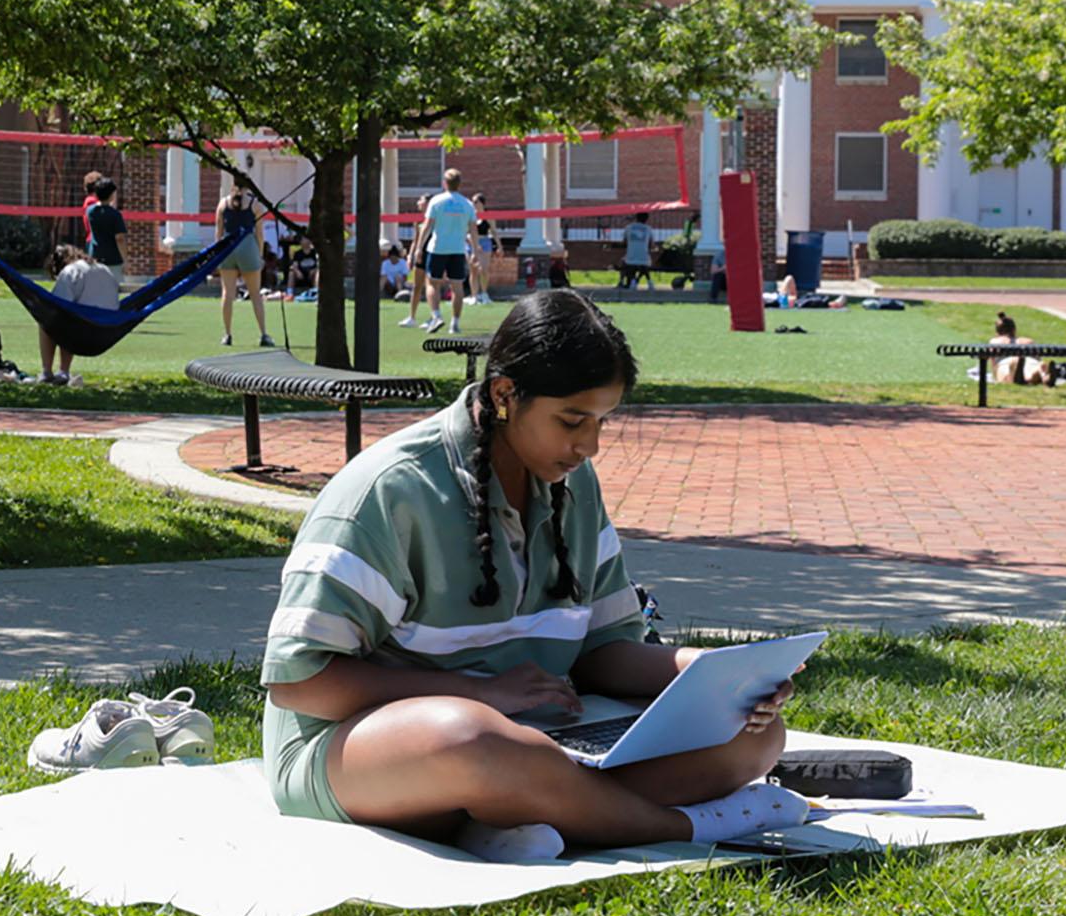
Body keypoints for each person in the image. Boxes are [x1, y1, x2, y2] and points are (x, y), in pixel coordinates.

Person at [261, 290, 807, 856]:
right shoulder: (391, 489)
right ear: (504, 395)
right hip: (360, 749)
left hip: (538, 739)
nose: (589, 446)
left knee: (749, 738)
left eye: (601, 422)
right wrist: (483, 693)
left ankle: (500, 820)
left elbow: (603, 651)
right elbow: (301, 682)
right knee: (471, 740)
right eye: (573, 420)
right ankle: (686, 827)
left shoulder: (571, 483)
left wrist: (717, 677)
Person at [37, 242, 117, 383]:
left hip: (81, 331)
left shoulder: (70, 271)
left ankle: (48, 372)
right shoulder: (105, 269)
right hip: (107, 331)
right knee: (71, 317)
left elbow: (59, 306)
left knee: (48, 319)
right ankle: (63, 371)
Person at [213, 179, 275, 349]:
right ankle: (263, 334)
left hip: (227, 247)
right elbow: (260, 234)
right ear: (247, 186)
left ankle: (227, 334)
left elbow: (217, 233)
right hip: (247, 245)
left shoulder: (222, 203)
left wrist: (217, 256)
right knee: (255, 294)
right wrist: (260, 256)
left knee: (227, 293)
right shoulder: (255, 204)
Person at [418, 168, 479, 334]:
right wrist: (475, 251)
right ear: (460, 184)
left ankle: (436, 316)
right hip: (458, 249)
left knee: (432, 283)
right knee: (457, 286)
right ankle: (455, 324)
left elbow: (427, 226)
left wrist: (418, 247)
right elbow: (473, 230)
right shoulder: (467, 204)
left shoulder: (437, 201)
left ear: (445, 183)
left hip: (437, 248)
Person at [986, 311, 1055, 387]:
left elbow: (993, 365)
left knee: (1007, 375)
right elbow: (1038, 358)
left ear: (997, 332)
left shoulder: (995, 342)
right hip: (1031, 361)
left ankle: (1019, 372)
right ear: (1014, 329)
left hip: (1006, 363)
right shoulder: (1028, 341)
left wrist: (996, 374)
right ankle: (1042, 375)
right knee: (1034, 369)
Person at [84, 177, 127, 288]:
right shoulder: (115, 215)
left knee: (96, 289)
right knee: (112, 291)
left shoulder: (90, 211)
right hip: (113, 258)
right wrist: (125, 260)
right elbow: (120, 239)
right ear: (112, 195)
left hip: (95, 256)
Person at [619, 212, 657, 291]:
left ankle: (631, 281)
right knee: (644, 266)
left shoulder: (628, 227)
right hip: (644, 258)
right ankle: (648, 282)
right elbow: (652, 244)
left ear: (636, 218)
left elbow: (624, 242)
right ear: (646, 219)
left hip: (631, 257)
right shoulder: (648, 229)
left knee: (626, 263)